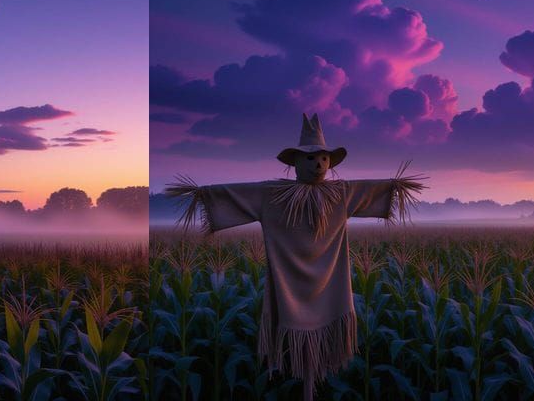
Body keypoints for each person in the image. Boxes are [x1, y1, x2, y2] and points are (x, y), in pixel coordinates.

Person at [166, 113, 425, 400]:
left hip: (330, 285)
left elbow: (372, 189)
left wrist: (395, 185)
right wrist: (203, 194)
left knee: (320, 356)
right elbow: (237, 194)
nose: (318, 164)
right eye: (311, 159)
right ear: (296, 162)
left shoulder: (340, 193)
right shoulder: (273, 194)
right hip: (289, 284)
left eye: (324, 159)